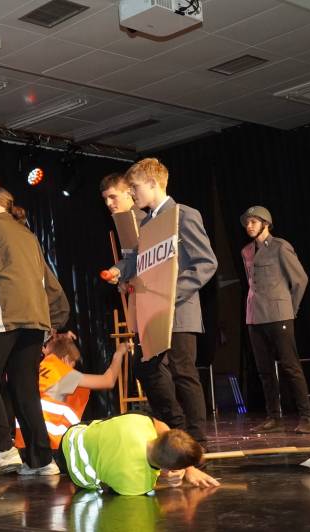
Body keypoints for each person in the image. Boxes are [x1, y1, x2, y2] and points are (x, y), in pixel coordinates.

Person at [0, 187, 70, 476]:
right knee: (24, 386)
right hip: (35, 318)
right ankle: (41, 459)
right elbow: (49, 282)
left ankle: (2, 447)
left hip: (5, 315)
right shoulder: (28, 236)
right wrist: (55, 318)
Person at [105, 158, 218, 443]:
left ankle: (197, 438)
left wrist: (171, 293)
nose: (132, 193)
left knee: (183, 371)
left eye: (135, 187)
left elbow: (206, 263)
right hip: (153, 311)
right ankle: (175, 426)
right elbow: (136, 258)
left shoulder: (184, 215)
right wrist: (119, 270)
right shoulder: (147, 223)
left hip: (179, 309)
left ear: (153, 183)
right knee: (146, 367)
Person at [240, 206, 310, 434]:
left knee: (290, 366)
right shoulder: (246, 251)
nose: (249, 226)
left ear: (266, 224)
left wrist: (290, 309)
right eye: (247, 222)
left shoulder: (280, 246)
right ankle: (274, 417)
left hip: (279, 315)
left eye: (254, 221)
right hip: (255, 316)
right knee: (264, 370)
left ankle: (306, 418)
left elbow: (300, 280)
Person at [60, 413, 219, 496]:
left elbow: (160, 425)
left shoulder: (140, 421)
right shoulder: (140, 484)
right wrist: (163, 476)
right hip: (75, 473)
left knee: (109, 425)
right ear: (168, 468)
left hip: (72, 435)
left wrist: (188, 468)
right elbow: (108, 489)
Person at [15, 336, 128, 451]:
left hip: (22, 440)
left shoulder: (37, 369)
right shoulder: (62, 373)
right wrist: (119, 353)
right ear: (66, 359)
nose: (72, 370)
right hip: (46, 443)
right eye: (72, 365)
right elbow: (108, 380)